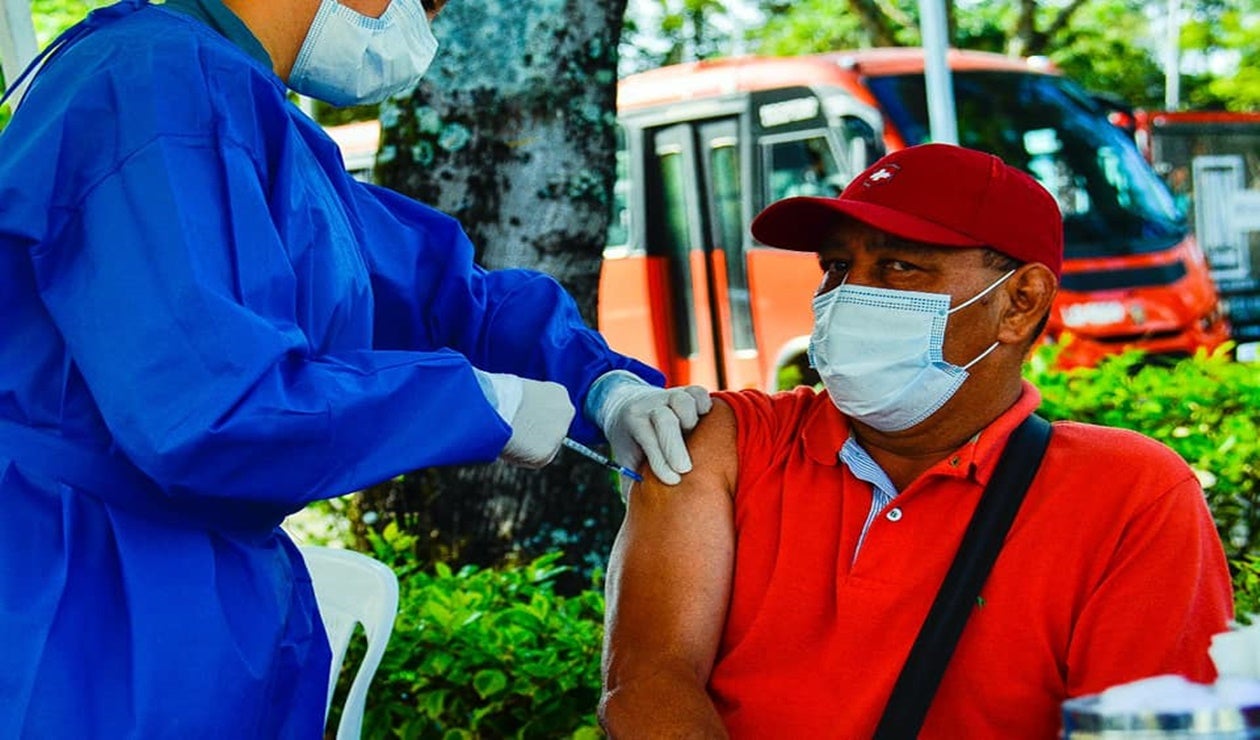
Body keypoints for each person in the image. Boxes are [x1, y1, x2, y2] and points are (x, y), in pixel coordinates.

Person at [0, 0, 711, 736]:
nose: (426, 23)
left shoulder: (256, 118)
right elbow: (215, 412)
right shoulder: (147, 84)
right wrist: (477, 404)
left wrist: (602, 383)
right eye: (425, 1)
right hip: (77, 603)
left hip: (190, 605)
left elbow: (443, 293)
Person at [599, 143, 1234, 738]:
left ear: (1020, 302)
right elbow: (647, 684)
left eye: (899, 265)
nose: (851, 295)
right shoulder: (731, 442)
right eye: (838, 266)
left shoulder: (1129, 494)